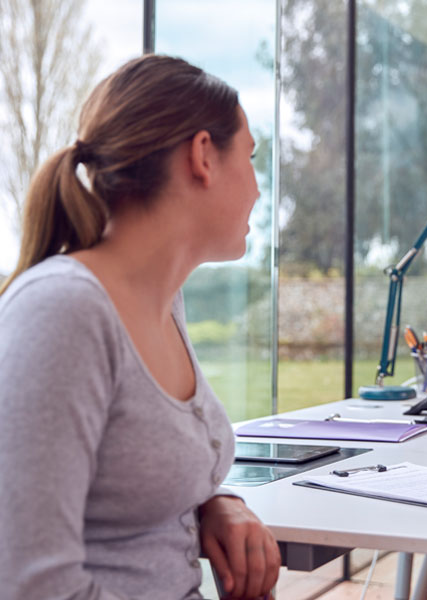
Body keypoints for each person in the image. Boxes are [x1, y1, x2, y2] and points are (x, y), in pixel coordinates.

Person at [0, 54, 280, 599]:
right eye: (250, 157)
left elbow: (129, 475)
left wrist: (213, 503)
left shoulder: (163, 300)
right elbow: (29, 582)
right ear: (203, 155)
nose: (257, 188)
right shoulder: (64, 311)